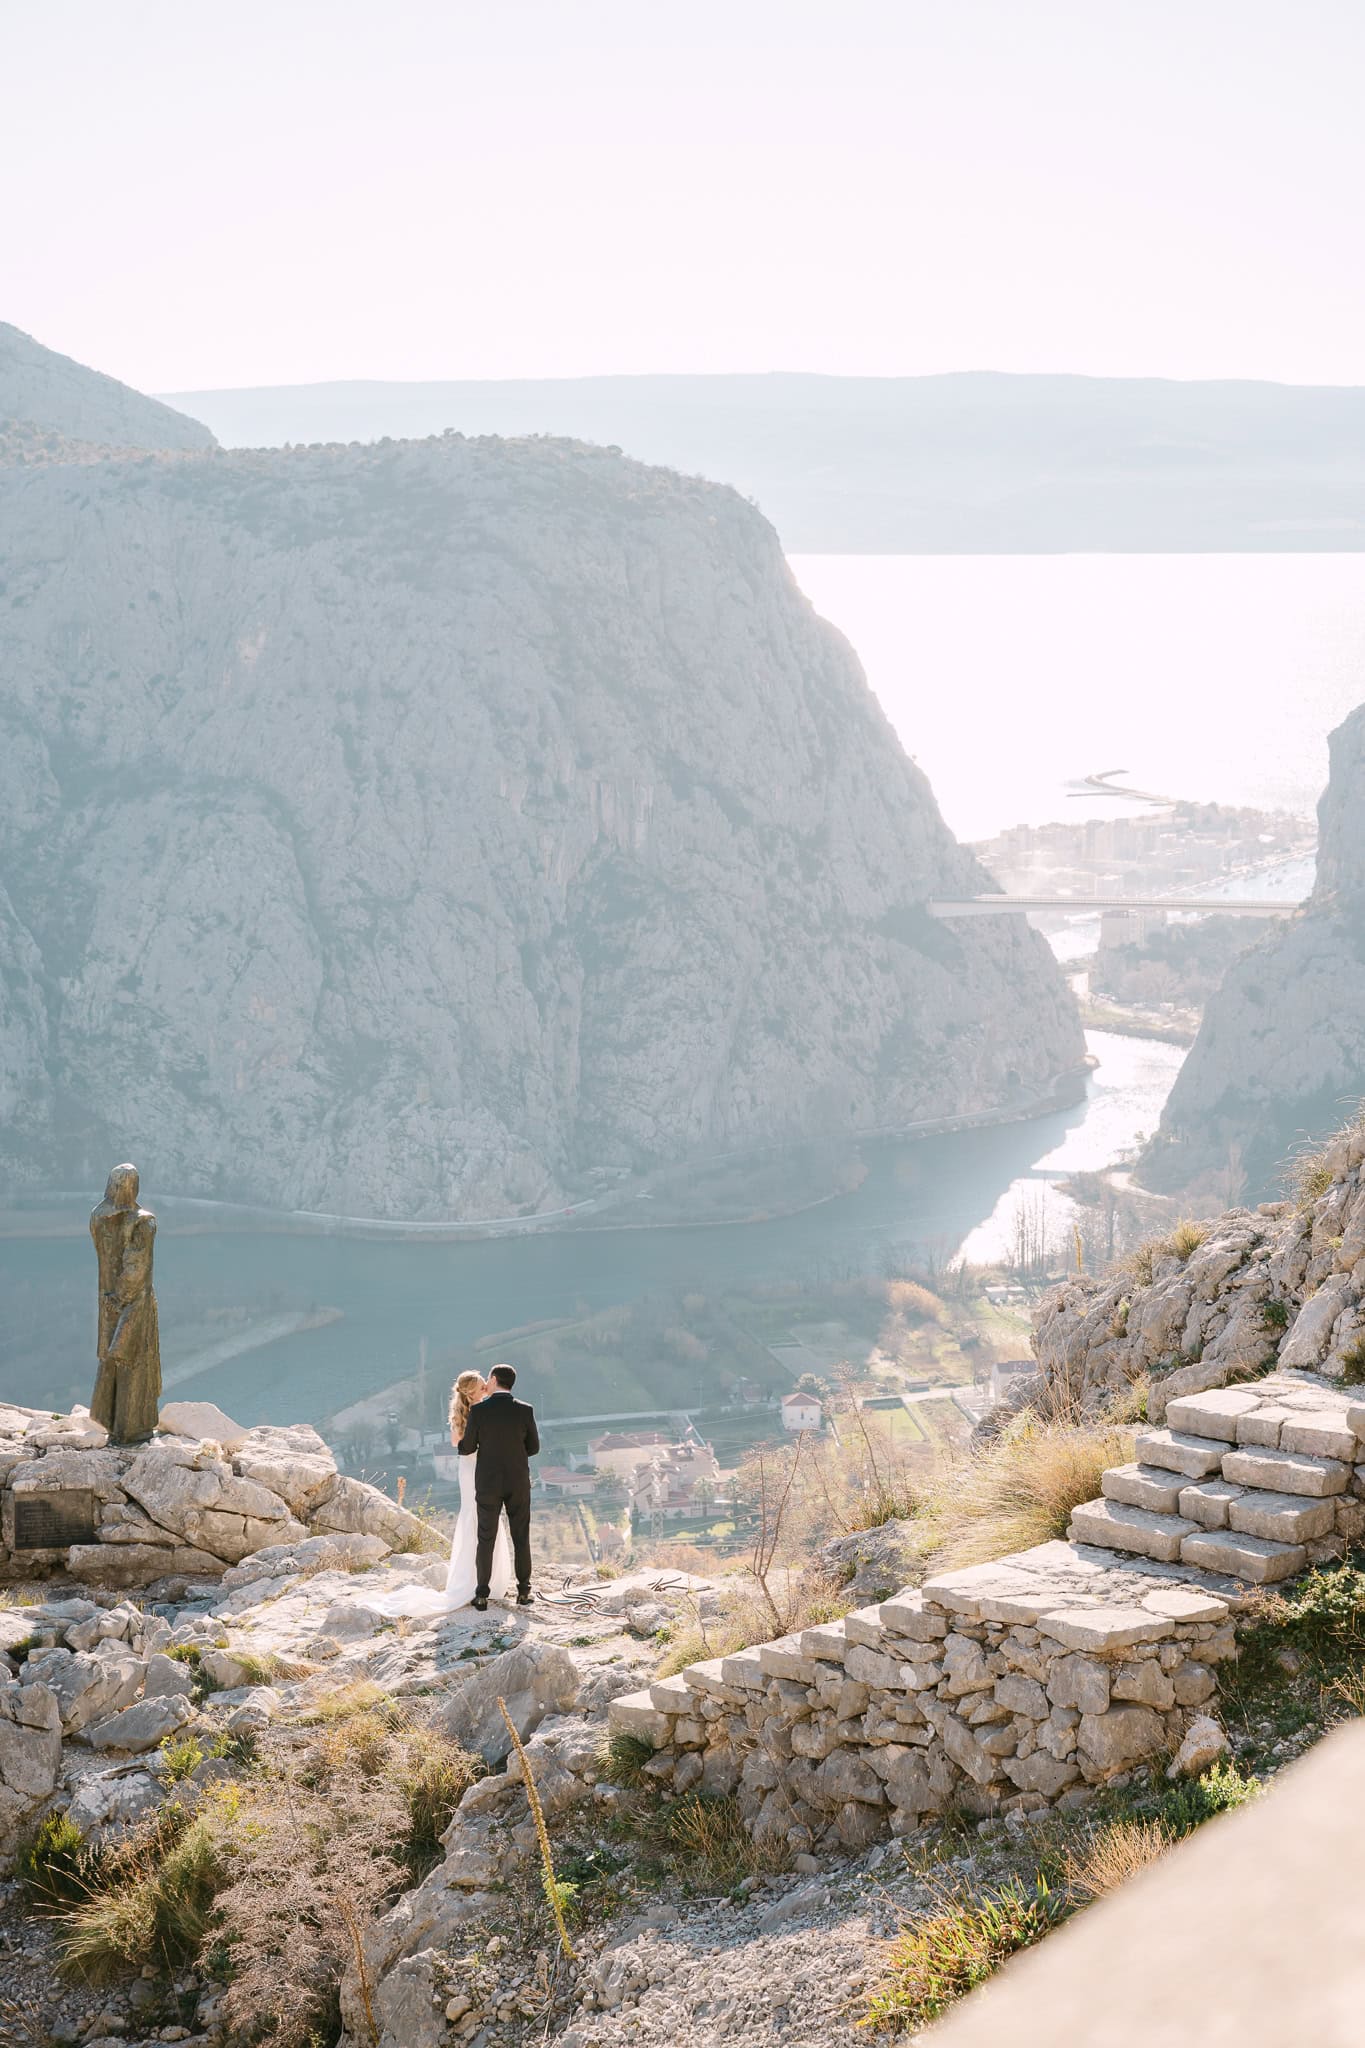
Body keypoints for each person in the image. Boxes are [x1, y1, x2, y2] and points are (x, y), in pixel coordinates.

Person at [362, 1370, 514, 1619]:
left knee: (478, 1516)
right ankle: (485, 1580)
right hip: (478, 1469)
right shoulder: (481, 1412)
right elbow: (468, 1443)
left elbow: (458, 1442)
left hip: (469, 1468)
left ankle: (481, 1578)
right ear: (475, 1392)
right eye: (482, 1386)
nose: (487, 1386)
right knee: (482, 1517)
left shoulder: (464, 1413)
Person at [458, 1362, 539, 1610]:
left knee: (486, 1537)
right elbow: (534, 1448)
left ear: (493, 1380)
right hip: (517, 1481)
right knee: (521, 1536)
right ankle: (524, 1592)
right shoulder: (526, 1410)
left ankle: (482, 1594)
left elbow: (467, 1448)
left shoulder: (479, 1412)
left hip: (488, 1482)